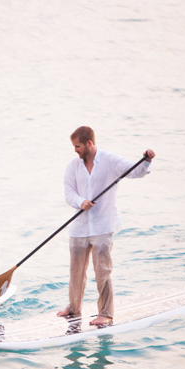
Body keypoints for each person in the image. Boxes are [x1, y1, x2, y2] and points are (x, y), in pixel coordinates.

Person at [57, 126, 155, 326]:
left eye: (78, 146)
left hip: (103, 225)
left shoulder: (110, 160)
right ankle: (74, 308)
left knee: (102, 271)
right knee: (76, 271)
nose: (75, 150)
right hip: (79, 227)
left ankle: (105, 313)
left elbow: (136, 171)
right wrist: (80, 202)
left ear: (89, 144)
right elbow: (69, 193)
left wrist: (146, 160)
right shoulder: (73, 166)